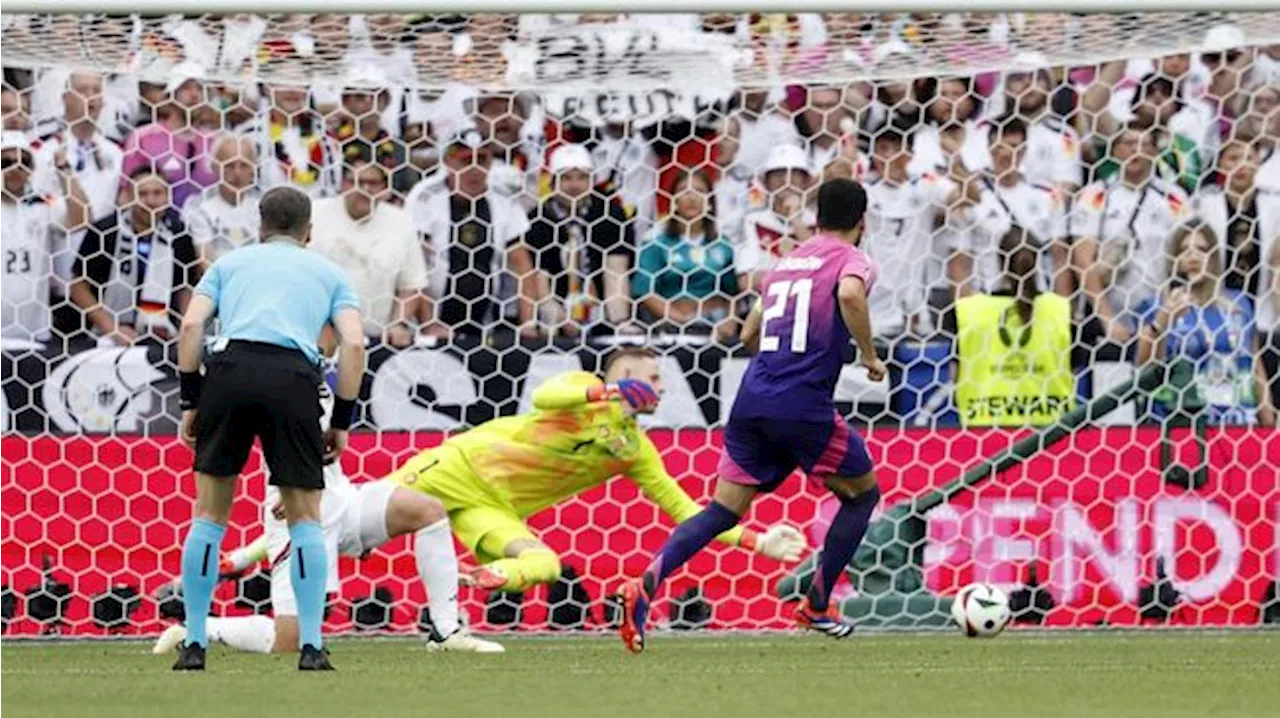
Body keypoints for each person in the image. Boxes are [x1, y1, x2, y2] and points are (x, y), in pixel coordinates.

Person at [619, 178, 886, 654]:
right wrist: (867, 353)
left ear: (816, 216)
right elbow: (848, 295)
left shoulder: (785, 264)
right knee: (863, 496)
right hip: (803, 405)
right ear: (862, 222)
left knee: (724, 511)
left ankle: (645, 584)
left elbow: (748, 332)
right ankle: (817, 604)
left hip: (752, 399)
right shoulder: (853, 259)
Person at [382, 347, 805, 599]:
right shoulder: (582, 390)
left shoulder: (635, 450)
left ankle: (484, 577)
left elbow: (682, 508)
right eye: (655, 378)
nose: (662, 387)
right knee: (350, 525)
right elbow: (547, 395)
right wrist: (607, 392)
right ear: (624, 376)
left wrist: (756, 540)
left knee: (544, 564)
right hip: (455, 468)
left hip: (490, 505)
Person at [153, 382, 503, 656]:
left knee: (428, 510)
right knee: (290, 641)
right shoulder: (266, 370)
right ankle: (198, 629)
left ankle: (446, 631)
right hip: (294, 504)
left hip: (341, 498)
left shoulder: (319, 363)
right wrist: (288, 488)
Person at [171, 186, 365, 671]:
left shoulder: (229, 264)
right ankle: (312, 647)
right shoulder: (328, 272)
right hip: (293, 379)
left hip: (229, 372)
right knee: (304, 518)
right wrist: (340, 420)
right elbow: (355, 345)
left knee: (210, 516)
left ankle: (194, 642)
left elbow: (192, 327)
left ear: (260, 226)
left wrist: (192, 399)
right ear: (309, 232)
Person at [1136, 222, 1273, 427]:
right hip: (1180, 421)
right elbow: (1145, 368)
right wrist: (1163, 321)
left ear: (1214, 257)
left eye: (1202, 249)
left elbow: (1256, 367)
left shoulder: (1239, 304)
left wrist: (1268, 421)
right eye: (1185, 250)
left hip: (1238, 420)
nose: (1194, 256)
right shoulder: (1156, 306)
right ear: (1175, 258)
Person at [1072, 123, 1193, 343]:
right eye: (1128, 143)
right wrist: (1107, 319)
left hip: (1160, 314)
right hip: (1111, 320)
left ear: (1155, 152)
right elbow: (1083, 260)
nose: (1136, 150)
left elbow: (1187, 254)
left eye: (1144, 144)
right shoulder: (1096, 195)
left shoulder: (1174, 197)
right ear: (1115, 150)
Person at [952, 228, 1075, 427]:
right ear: (1038, 265)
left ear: (1000, 264)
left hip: (983, 432)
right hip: (1052, 433)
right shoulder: (1060, 310)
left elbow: (955, 374)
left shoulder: (969, 311)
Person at [521, 143, 639, 338]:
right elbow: (539, 280)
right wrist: (559, 317)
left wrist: (620, 322)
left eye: (582, 178)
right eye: (566, 178)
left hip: (601, 310)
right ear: (552, 183)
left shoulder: (610, 213)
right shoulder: (539, 219)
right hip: (553, 316)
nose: (574, 185)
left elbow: (616, 271)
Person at [310, 156, 427, 347]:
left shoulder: (401, 222)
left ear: (384, 188)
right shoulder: (315, 213)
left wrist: (398, 324)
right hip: (319, 335)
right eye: (356, 182)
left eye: (373, 183)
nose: (364, 189)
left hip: (377, 339)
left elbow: (412, 286)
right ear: (342, 184)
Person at [70, 165, 194, 344]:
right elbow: (78, 287)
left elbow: (185, 288)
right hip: (106, 337)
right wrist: (112, 329)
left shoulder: (179, 235)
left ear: (168, 196)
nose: (150, 200)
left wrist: (186, 331)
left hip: (162, 336)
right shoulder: (105, 230)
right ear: (128, 195)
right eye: (142, 194)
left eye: (157, 193)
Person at [632, 170, 743, 341]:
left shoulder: (723, 244)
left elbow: (733, 292)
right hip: (672, 330)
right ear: (674, 200)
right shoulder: (656, 242)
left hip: (717, 331)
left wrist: (730, 321)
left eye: (699, 191)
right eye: (684, 191)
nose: (692, 197)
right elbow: (645, 291)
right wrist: (683, 322)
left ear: (710, 201)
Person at [0, 130, 88, 343]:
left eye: (24, 162)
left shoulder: (42, 205)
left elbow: (83, 218)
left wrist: (64, 170)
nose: (15, 168)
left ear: (31, 170)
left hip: (35, 334)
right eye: (5, 162)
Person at [183, 134, 261, 269]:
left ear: (254, 169)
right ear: (214, 167)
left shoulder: (263, 206)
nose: (237, 173)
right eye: (229, 166)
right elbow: (205, 263)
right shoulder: (198, 206)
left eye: (244, 165)